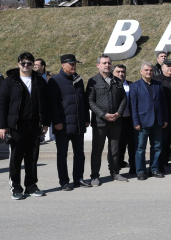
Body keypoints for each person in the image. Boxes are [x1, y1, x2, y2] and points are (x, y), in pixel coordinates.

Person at [0, 52, 51, 199]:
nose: (26, 66)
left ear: (34, 65)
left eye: (29, 63)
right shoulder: (10, 81)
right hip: (16, 126)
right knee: (16, 158)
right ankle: (16, 188)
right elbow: (1, 104)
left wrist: (45, 123)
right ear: (18, 63)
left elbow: (45, 104)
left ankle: (31, 187)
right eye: (23, 63)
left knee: (32, 158)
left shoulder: (39, 81)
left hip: (34, 126)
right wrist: (2, 126)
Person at [49, 54, 91, 190]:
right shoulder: (55, 80)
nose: (73, 66)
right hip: (62, 125)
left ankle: (78, 178)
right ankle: (64, 181)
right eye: (71, 64)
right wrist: (56, 121)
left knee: (79, 153)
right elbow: (52, 104)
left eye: (74, 64)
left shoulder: (78, 79)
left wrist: (86, 118)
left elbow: (83, 100)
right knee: (62, 155)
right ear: (63, 65)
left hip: (78, 123)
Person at [86, 55, 128, 186]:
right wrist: (103, 114)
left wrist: (118, 113)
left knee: (114, 149)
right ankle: (94, 176)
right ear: (98, 65)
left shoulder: (117, 81)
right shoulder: (93, 81)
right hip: (100, 122)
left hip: (116, 121)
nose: (107, 65)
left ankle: (115, 172)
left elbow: (124, 99)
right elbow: (90, 101)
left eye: (109, 63)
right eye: (104, 63)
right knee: (97, 150)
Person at [129, 62, 168, 180]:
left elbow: (163, 104)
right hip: (142, 122)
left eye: (150, 70)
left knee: (157, 147)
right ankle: (140, 171)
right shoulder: (135, 86)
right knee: (140, 148)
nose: (148, 72)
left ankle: (154, 169)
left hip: (157, 122)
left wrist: (165, 119)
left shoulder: (158, 85)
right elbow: (133, 106)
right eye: (146, 70)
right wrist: (135, 122)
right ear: (141, 71)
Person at [113, 64, 137, 174]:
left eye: (123, 71)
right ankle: (116, 166)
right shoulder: (111, 85)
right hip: (116, 120)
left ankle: (134, 167)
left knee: (132, 145)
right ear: (113, 73)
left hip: (129, 120)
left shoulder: (131, 85)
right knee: (117, 145)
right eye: (118, 71)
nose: (121, 74)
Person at [34, 58, 54, 144]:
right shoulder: (33, 76)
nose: (34, 66)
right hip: (39, 101)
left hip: (50, 100)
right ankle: (41, 136)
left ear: (43, 66)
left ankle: (55, 136)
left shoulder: (50, 75)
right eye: (34, 65)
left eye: (37, 65)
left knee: (52, 118)